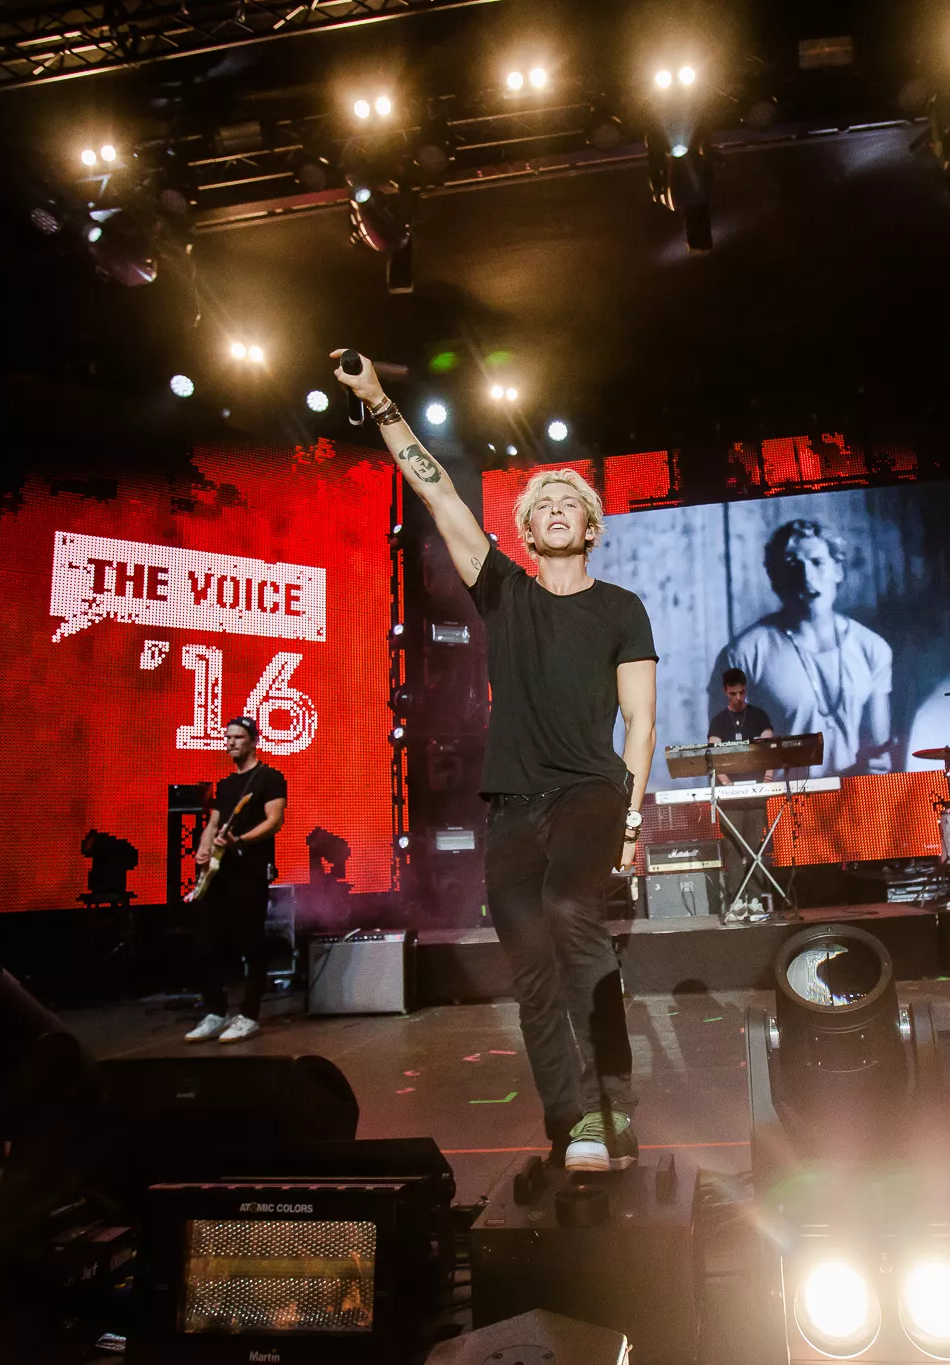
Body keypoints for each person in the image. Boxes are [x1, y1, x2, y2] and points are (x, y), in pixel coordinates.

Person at [332, 350, 658, 1173]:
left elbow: (641, 720)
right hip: (512, 804)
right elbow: (437, 490)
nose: (554, 508)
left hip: (590, 792)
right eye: (540, 502)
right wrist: (378, 400)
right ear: (526, 532)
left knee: (570, 911)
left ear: (591, 526)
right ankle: (573, 1124)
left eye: (569, 501)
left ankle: (612, 1099)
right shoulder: (503, 589)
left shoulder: (622, 609)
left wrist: (630, 819)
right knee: (534, 974)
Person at [715, 518, 895, 777]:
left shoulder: (872, 648)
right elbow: (728, 762)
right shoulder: (743, 655)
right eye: (792, 566)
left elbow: (879, 748)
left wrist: (875, 764)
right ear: (776, 579)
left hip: (854, 798)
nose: (806, 577)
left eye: (817, 562)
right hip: (783, 800)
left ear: (838, 571)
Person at [184, 717, 288, 1044]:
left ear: (253, 741)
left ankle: (249, 1015)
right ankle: (216, 1012)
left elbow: (274, 821)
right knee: (206, 944)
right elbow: (213, 823)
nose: (230, 743)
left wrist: (240, 840)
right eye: (228, 737)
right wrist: (203, 850)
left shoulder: (269, 778)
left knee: (251, 943)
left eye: (238, 737)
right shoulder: (226, 784)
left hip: (250, 871)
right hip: (220, 874)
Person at [706, 667, 775, 918]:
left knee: (756, 848)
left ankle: (755, 900)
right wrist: (726, 784)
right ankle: (736, 901)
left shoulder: (759, 717)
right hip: (731, 795)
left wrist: (767, 780)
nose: (738, 697)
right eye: (733, 693)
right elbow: (713, 757)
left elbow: (771, 750)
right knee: (733, 849)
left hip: (756, 793)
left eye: (742, 693)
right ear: (725, 691)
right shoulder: (719, 722)